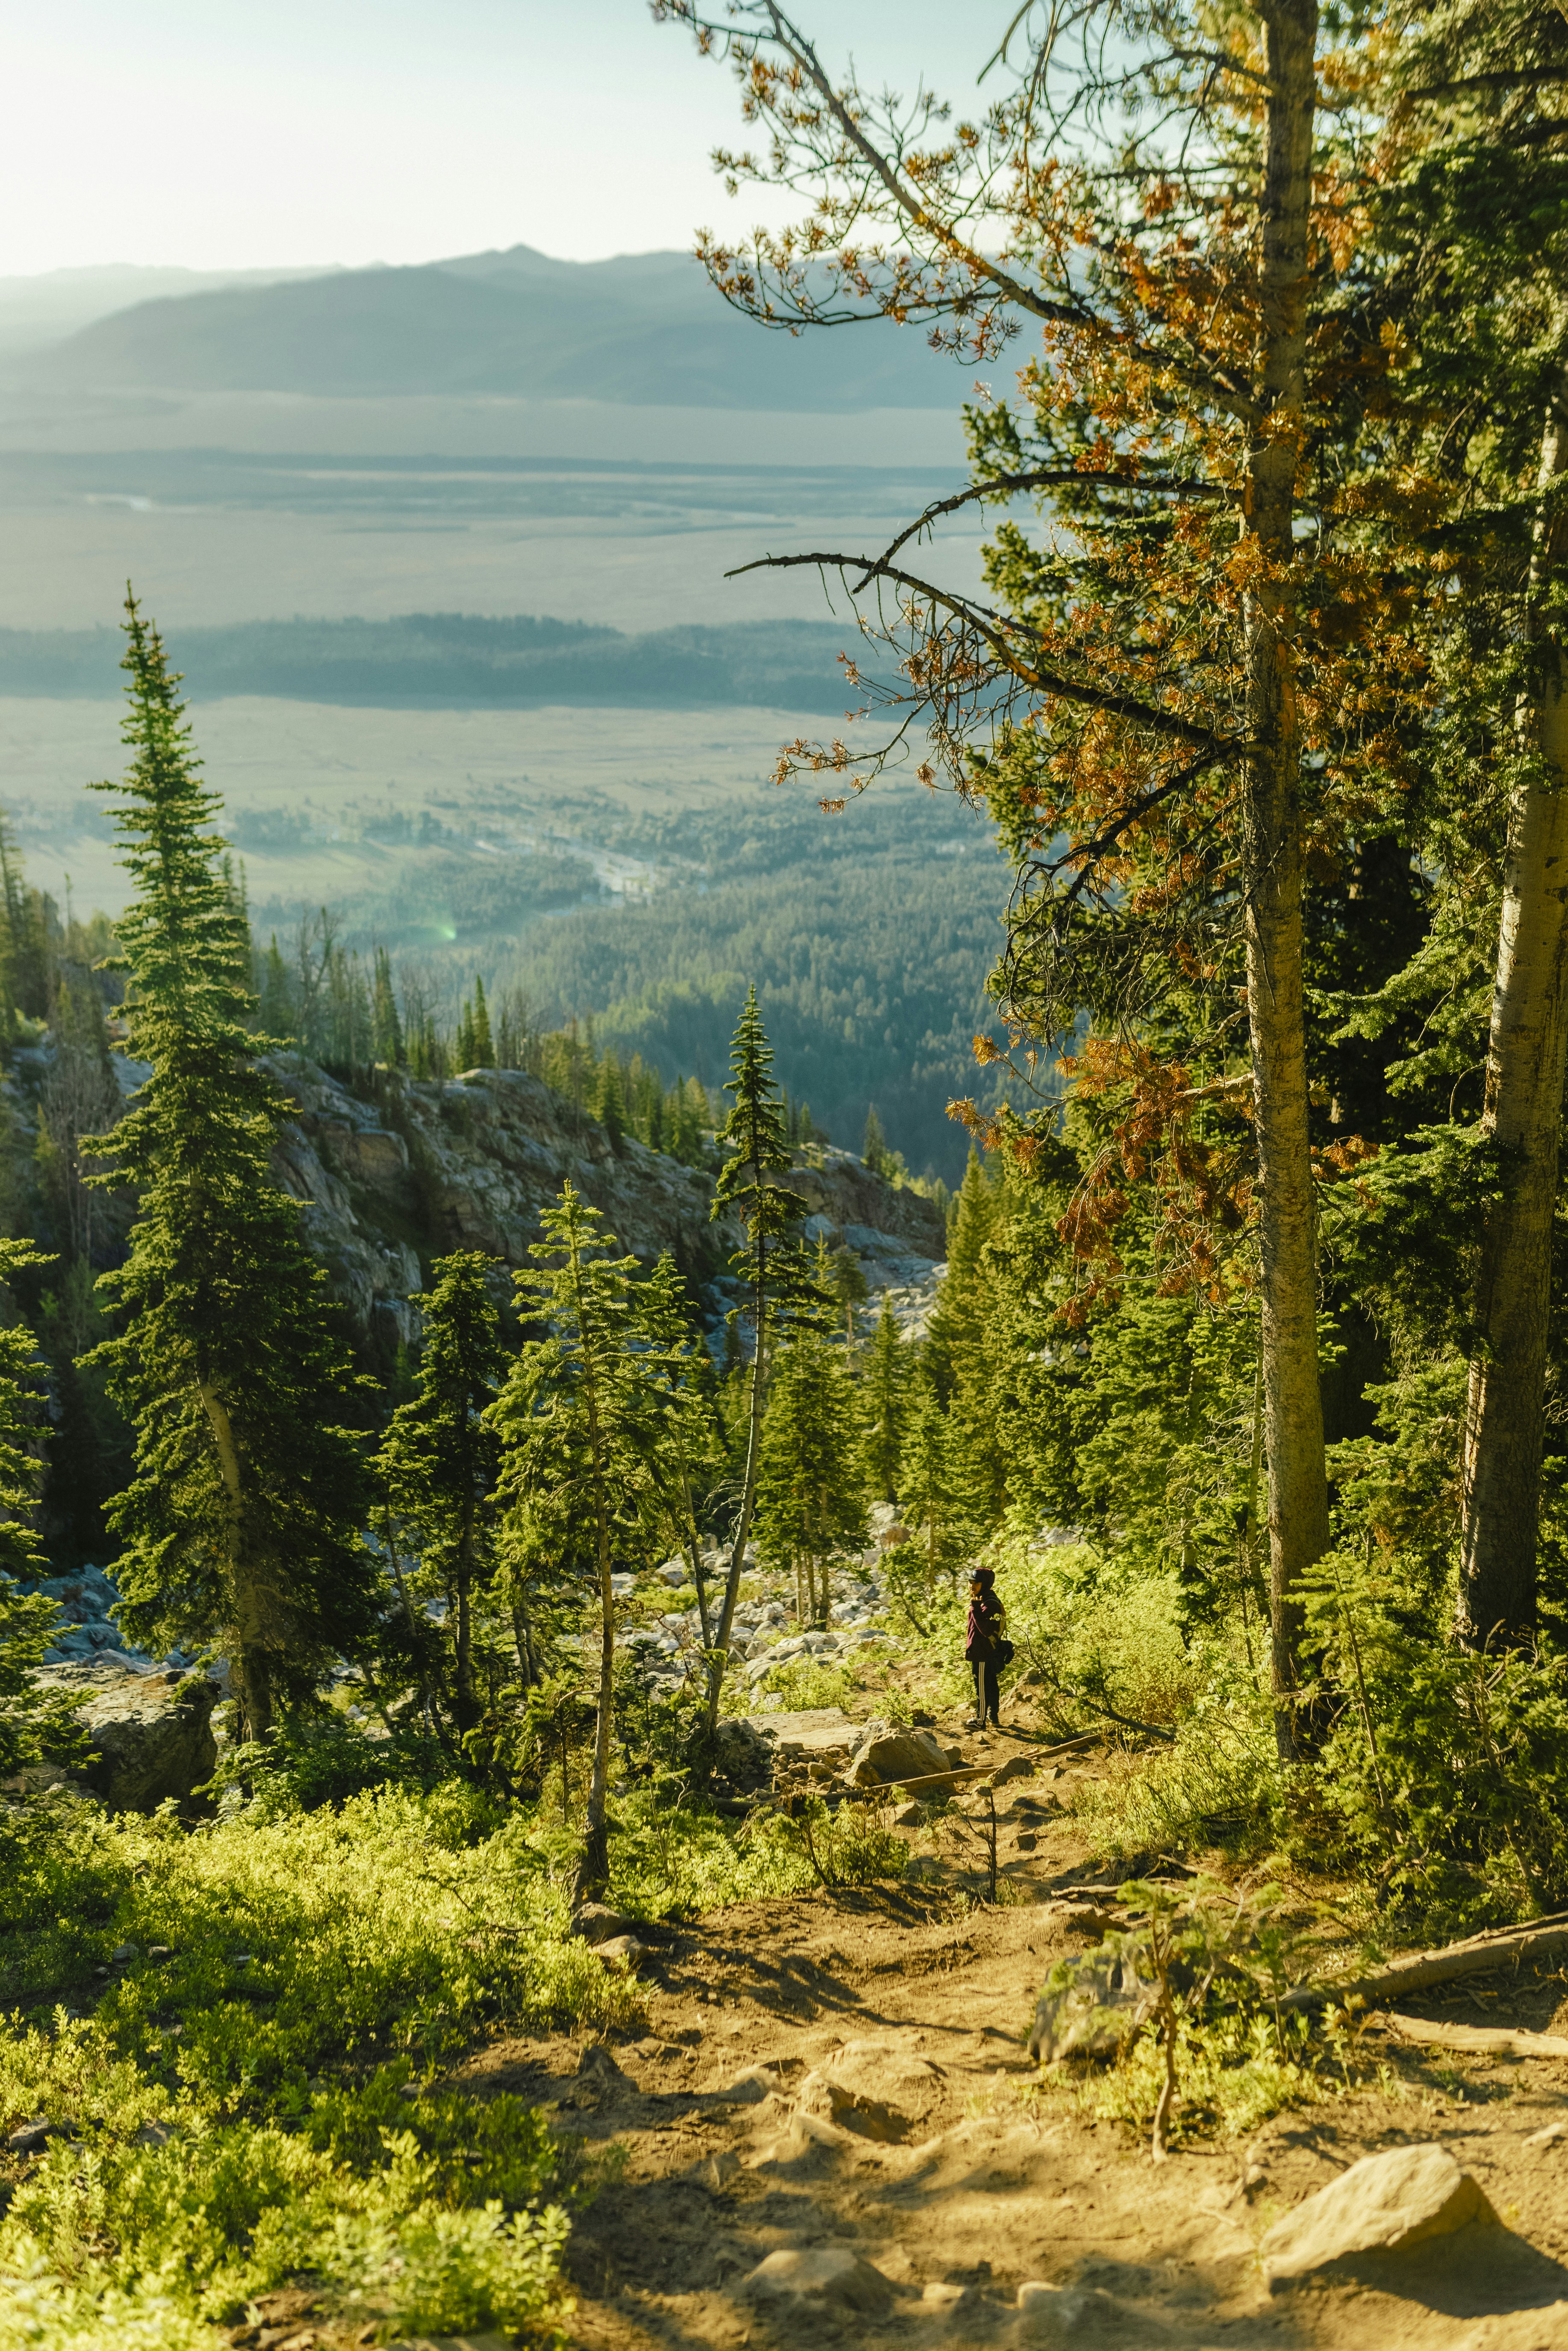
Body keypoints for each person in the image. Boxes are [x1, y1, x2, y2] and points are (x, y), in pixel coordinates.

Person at [965, 1565, 1005, 1729]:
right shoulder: (984, 1599)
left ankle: (980, 1721)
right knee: (990, 1684)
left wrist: (974, 1607)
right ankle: (993, 1717)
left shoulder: (988, 1603)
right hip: (983, 1651)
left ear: (985, 1584)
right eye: (970, 1582)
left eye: (977, 1583)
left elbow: (985, 1629)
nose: (972, 1585)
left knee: (982, 1686)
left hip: (982, 1653)